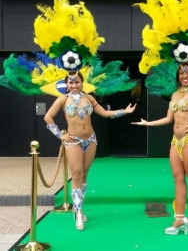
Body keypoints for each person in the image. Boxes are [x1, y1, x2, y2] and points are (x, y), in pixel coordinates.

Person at [132, 62, 188, 235]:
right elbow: (168, 119)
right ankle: (179, 217)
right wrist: (148, 123)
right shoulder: (175, 95)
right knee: (178, 178)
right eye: (181, 74)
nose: (184, 76)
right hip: (175, 141)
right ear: (178, 76)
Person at [44, 70, 136, 231]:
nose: (74, 85)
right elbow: (48, 117)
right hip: (73, 142)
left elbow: (105, 113)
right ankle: (78, 212)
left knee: (85, 174)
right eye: (71, 82)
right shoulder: (62, 99)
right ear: (66, 84)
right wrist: (60, 135)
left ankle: (80, 207)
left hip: (91, 140)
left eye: (77, 82)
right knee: (77, 173)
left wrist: (124, 111)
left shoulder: (89, 98)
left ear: (82, 83)